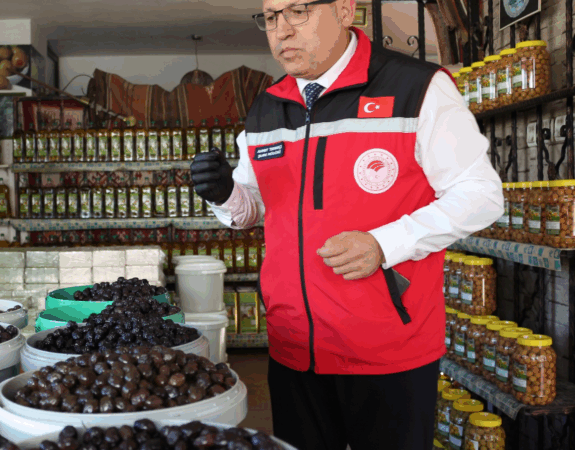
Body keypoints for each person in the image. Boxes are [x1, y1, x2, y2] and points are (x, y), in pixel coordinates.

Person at [190, 0, 503, 449]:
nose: (281, 30)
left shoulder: (416, 87)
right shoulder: (266, 108)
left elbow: (481, 194)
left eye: (296, 11)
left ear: (343, 10)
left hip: (388, 350)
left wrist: (384, 243)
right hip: (294, 346)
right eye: (271, 17)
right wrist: (224, 194)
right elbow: (253, 210)